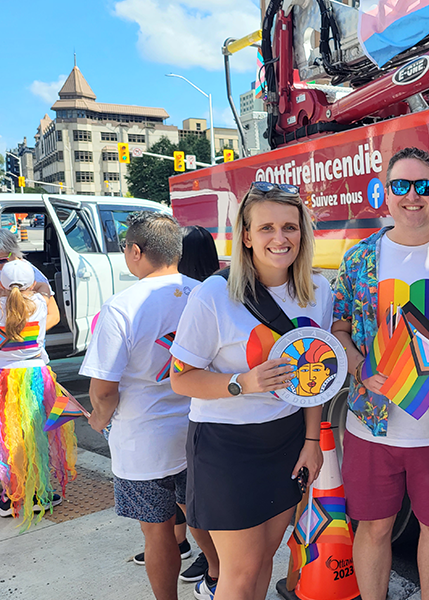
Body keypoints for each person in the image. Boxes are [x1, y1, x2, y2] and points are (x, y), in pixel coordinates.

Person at [169, 182, 328, 600]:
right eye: (267, 228)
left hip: (287, 439)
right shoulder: (213, 295)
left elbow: (318, 378)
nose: (280, 239)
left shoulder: (318, 291)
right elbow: (181, 378)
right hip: (226, 446)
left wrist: (312, 441)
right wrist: (244, 383)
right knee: (238, 574)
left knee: (264, 560)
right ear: (246, 235)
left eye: (290, 227)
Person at [332, 147, 429, 600]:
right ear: (385, 193)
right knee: (373, 528)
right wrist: (357, 367)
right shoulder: (360, 260)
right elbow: (338, 327)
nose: (412, 195)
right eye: (401, 185)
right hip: (372, 423)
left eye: (424, 186)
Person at [80, 212, 206, 600]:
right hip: (201, 429)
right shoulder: (204, 293)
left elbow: (103, 391)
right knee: (203, 520)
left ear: (135, 251)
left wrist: (99, 420)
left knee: (157, 530)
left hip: (143, 441)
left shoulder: (121, 306)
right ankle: (217, 581)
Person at [131, 223, 221, 584]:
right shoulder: (210, 293)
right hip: (195, 414)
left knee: (180, 497)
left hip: (172, 417)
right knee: (189, 494)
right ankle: (196, 553)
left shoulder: (203, 296)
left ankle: (195, 552)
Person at [0, 260, 75, 526]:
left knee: (8, 440)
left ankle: (10, 496)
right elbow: (47, 295)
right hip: (36, 377)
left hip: (3, 379)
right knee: (36, 437)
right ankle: (40, 493)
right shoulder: (39, 304)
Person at [0, 228, 60, 331]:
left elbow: (54, 316)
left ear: (14, 252)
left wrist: (23, 336)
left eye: (2, 260)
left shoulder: (30, 274)